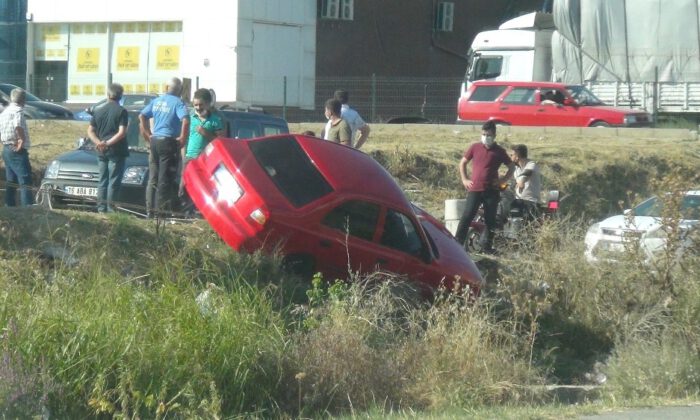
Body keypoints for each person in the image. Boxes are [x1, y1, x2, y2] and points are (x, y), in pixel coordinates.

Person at [454, 120, 514, 254]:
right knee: (467, 215)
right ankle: (457, 243)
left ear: (494, 135)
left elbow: (511, 167)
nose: (485, 137)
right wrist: (464, 179)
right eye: (484, 134)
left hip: (491, 190)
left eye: (488, 135)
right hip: (475, 189)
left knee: (490, 219)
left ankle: (487, 247)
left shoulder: (499, 151)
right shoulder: (475, 147)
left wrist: (502, 180)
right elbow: (463, 163)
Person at [139, 77, 190, 217]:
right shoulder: (178, 103)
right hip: (168, 142)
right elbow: (185, 120)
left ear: (166, 87)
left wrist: (147, 135)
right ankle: (160, 213)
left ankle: (149, 211)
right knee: (164, 179)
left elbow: (142, 116)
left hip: (154, 140)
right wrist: (183, 139)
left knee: (153, 178)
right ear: (180, 90)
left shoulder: (157, 101)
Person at [179, 88, 224, 212]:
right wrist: (183, 155)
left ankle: (199, 211)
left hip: (205, 160)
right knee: (184, 186)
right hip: (189, 158)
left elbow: (221, 141)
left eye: (201, 104)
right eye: (195, 105)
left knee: (202, 187)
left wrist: (205, 133)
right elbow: (184, 137)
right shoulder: (190, 117)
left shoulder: (215, 121)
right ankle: (184, 211)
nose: (198, 107)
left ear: (208, 104)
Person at [86, 83, 129, 213]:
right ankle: (111, 210)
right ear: (120, 96)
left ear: (108, 94)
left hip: (101, 151)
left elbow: (90, 131)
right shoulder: (122, 111)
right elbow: (122, 133)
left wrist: (99, 143)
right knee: (113, 182)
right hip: (116, 150)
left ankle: (101, 209)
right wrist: (107, 143)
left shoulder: (98, 111)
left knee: (102, 181)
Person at [0, 88, 34, 206]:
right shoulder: (18, 111)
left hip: (6, 148)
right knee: (25, 178)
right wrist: (21, 141)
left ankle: (9, 204)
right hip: (16, 149)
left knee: (11, 179)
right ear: (23, 99)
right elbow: (18, 126)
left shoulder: (4, 112)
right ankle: (28, 206)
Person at [509, 144, 542, 222]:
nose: (510, 157)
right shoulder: (516, 168)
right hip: (519, 201)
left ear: (517, 156)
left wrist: (522, 181)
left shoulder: (531, 164)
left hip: (531, 202)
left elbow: (527, 173)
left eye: (511, 155)